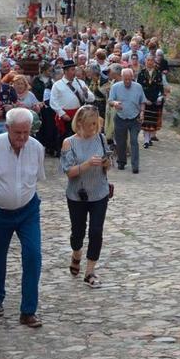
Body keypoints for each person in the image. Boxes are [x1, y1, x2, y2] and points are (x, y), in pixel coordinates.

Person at [0, 108, 45, 328]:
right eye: (17, 133)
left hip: (28, 210)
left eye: (26, 132)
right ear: (7, 128)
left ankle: (28, 310)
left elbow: (37, 178)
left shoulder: (36, 148)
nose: (22, 137)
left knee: (33, 255)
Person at [60, 106, 112, 288]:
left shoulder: (101, 138)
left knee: (96, 231)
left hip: (99, 192)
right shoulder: (69, 143)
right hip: (77, 195)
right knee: (78, 232)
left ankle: (90, 272)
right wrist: (88, 164)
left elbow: (108, 164)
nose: (94, 127)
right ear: (80, 123)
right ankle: (76, 254)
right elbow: (69, 172)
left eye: (96, 123)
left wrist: (106, 163)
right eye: (90, 124)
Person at [50, 60, 94, 153]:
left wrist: (86, 92)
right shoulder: (57, 85)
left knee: (78, 135)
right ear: (65, 71)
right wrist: (62, 114)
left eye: (75, 70)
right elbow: (53, 102)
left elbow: (91, 99)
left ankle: (78, 153)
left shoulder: (80, 83)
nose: (75, 72)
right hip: (65, 115)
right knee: (64, 136)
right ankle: (64, 153)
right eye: (72, 70)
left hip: (78, 114)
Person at [108, 68, 147, 174]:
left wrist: (142, 113)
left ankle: (135, 166)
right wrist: (115, 103)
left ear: (132, 78)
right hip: (120, 118)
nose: (127, 82)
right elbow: (110, 101)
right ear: (121, 78)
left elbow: (142, 101)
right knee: (121, 142)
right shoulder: (115, 87)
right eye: (125, 79)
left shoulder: (138, 87)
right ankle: (121, 162)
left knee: (134, 141)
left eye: (129, 79)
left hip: (135, 118)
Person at [137, 55, 166, 148]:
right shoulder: (141, 73)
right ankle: (146, 140)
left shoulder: (158, 73)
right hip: (145, 100)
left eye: (151, 60)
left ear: (154, 62)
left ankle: (149, 139)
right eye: (148, 60)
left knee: (152, 120)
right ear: (145, 61)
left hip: (155, 100)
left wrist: (160, 96)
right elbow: (139, 87)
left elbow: (161, 86)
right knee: (145, 120)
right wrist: (144, 99)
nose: (149, 62)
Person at [31, 61, 58, 156]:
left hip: (49, 106)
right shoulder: (36, 80)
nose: (50, 72)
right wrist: (39, 102)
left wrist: (46, 102)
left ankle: (50, 146)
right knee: (40, 126)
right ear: (44, 70)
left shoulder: (52, 80)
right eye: (49, 70)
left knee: (50, 126)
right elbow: (34, 92)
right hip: (39, 106)